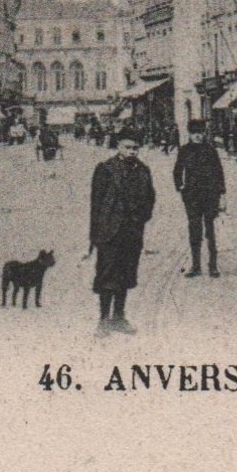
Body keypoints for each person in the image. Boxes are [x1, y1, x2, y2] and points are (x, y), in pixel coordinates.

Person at [89, 126, 155, 335]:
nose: (132, 151)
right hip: (110, 231)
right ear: (119, 147)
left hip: (132, 231)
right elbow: (96, 204)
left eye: (136, 148)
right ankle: (103, 320)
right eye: (127, 147)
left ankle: (119, 317)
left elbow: (150, 198)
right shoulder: (105, 169)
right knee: (107, 274)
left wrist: (141, 218)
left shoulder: (143, 170)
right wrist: (95, 235)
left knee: (126, 274)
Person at [173, 119, 226, 277]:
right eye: (195, 133)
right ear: (190, 134)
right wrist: (181, 187)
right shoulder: (184, 150)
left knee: (211, 231)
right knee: (194, 230)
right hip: (192, 197)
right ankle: (196, 266)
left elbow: (219, 172)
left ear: (204, 134)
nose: (198, 136)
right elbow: (177, 171)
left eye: (201, 133)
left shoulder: (211, 150)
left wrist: (222, 194)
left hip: (211, 196)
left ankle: (213, 266)